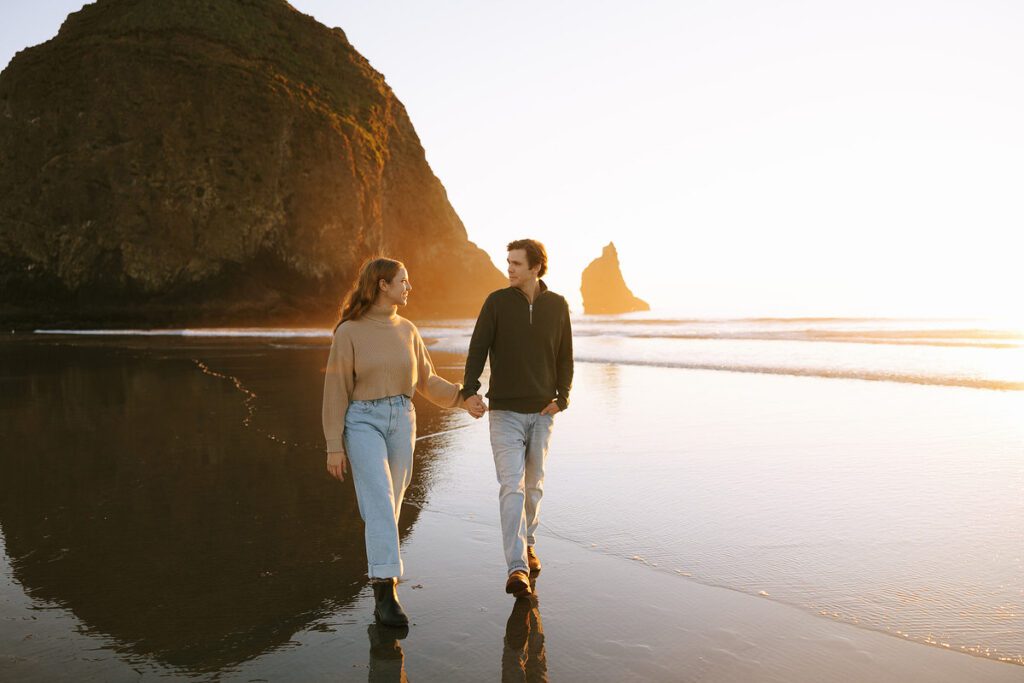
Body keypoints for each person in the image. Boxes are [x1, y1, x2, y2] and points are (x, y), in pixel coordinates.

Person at [322, 257, 485, 627]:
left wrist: (464, 397)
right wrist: (334, 444)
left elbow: (427, 380)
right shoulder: (348, 331)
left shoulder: (408, 330)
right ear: (382, 285)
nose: (409, 287)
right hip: (362, 420)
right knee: (379, 498)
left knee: (390, 503)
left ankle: (382, 573)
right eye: (403, 281)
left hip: (402, 419)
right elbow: (335, 391)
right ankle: (385, 591)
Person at [462, 239, 573, 597]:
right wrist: (469, 391)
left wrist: (564, 397)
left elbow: (565, 356)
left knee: (534, 485)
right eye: (508, 262)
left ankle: (528, 543)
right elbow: (478, 346)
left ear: (536, 268)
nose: (509, 268)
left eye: (516, 264)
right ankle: (517, 568)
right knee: (512, 486)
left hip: (542, 413)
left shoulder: (557, 305)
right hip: (505, 412)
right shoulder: (496, 303)